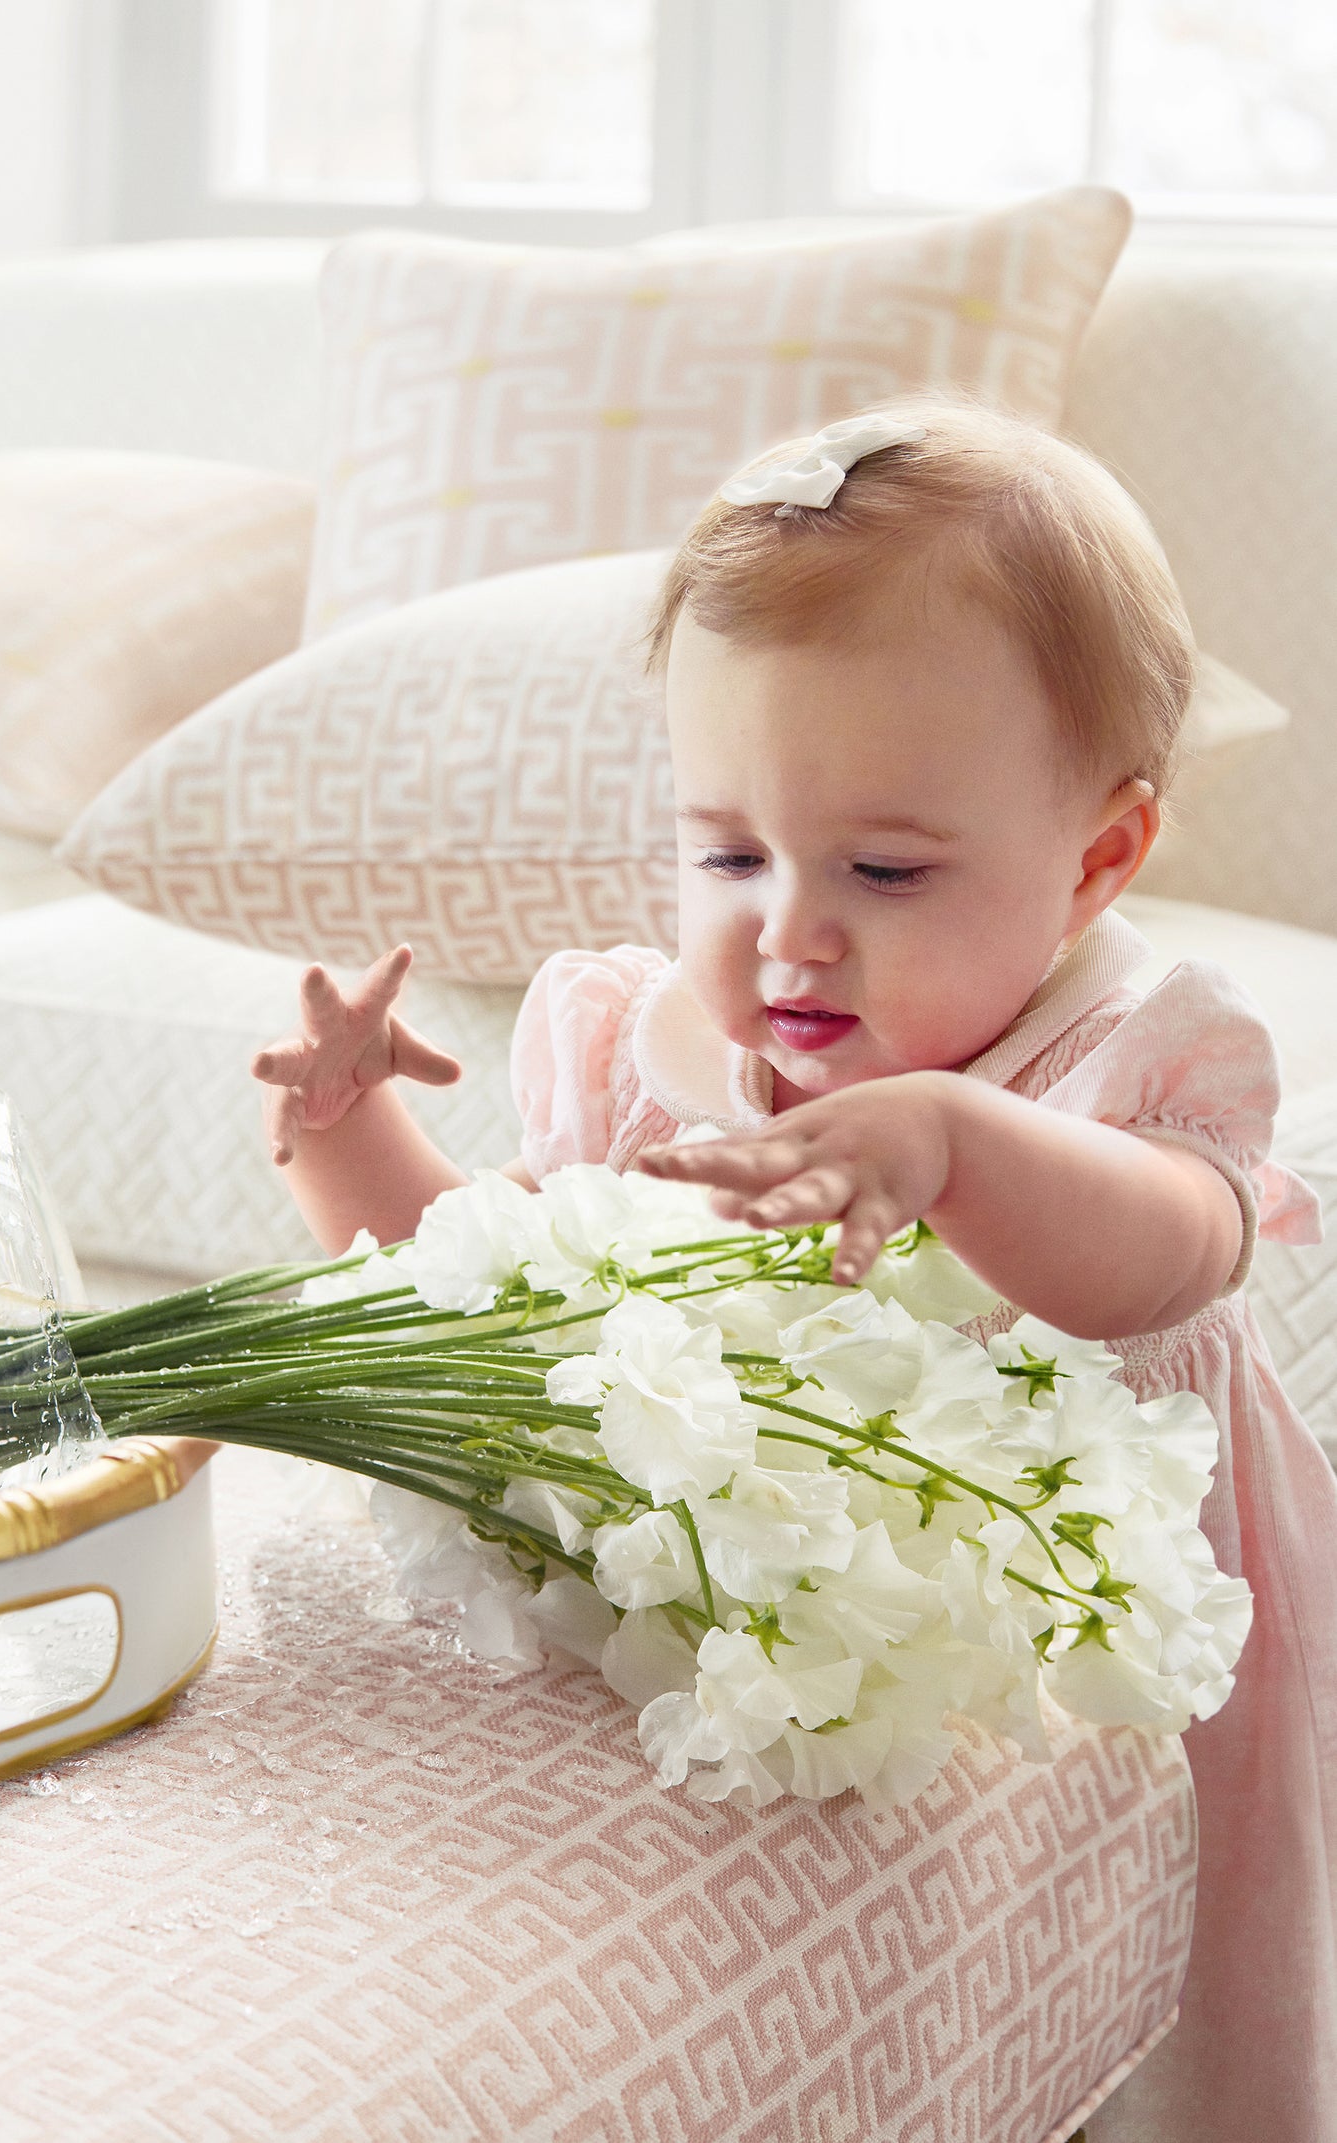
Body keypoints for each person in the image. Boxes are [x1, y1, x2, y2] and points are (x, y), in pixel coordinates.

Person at [251, 399, 1334, 2143]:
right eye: (730, 852)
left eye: (885, 868)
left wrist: (955, 1147)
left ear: (1100, 858)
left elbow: (1175, 1260)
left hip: (1094, 1666)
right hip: (782, 1656)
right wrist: (346, 1142)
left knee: (1151, 2018)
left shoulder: (1126, 1061)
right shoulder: (650, 1056)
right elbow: (480, 1296)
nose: (787, 929)